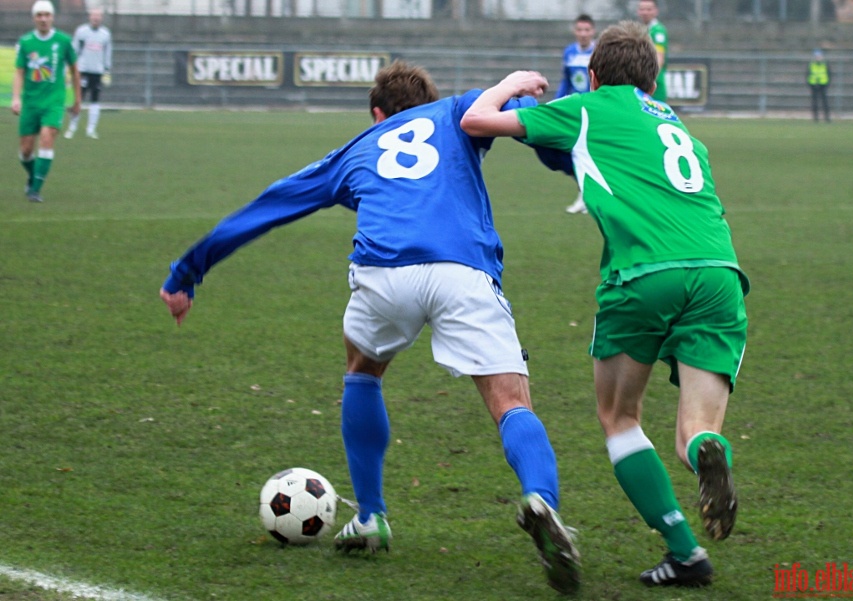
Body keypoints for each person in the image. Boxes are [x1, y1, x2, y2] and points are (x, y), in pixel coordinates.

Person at [159, 60, 581, 594]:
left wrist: (186, 273)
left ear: (377, 113)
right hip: (463, 270)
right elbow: (525, 115)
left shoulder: (355, 149)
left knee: (362, 367)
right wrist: (563, 155)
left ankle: (373, 516)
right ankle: (540, 498)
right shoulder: (458, 110)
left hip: (384, 272)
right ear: (431, 97)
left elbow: (270, 206)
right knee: (509, 400)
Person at [461, 20, 748, 588]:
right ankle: (710, 453)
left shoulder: (587, 107)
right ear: (654, 77)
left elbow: (475, 121)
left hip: (644, 274)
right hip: (719, 272)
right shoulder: (679, 127)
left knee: (619, 418)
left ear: (592, 76)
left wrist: (511, 84)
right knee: (696, 430)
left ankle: (685, 550)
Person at [11, 0, 81, 203]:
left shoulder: (64, 41)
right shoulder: (25, 42)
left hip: (54, 101)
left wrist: (77, 100)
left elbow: (75, 72)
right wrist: (16, 98)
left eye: (47, 15)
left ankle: (35, 190)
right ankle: (33, 176)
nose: (43, 19)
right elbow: (19, 72)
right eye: (39, 15)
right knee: (25, 150)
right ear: (34, 18)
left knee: (47, 138)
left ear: (52, 17)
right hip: (31, 102)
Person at [556, 14, 595, 215]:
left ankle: (588, 197)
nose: (583, 34)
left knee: (589, 152)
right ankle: (584, 195)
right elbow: (566, 81)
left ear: (593, 32)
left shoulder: (598, 52)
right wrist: (557, 101)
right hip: (574, 111)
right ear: (575, 31)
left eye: (586, 30)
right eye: (579, 30)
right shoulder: (569, 52)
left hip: (593, 111)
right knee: (576, 152)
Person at [64, 8, 113, 139]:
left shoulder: (105, 34)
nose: (96, 18)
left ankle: (91, 129)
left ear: (101, 18)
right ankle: (72, 127)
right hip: (83, 70)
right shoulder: (82, 31)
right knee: (78, 99)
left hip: (97, 71)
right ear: (89, 17)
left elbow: (107, 53)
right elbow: (75, 50)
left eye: (98, 16)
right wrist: (70, 70)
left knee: (95, 100)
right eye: (94, 16)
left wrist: (107, 70)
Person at [637, 0, 668, 102]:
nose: (645, 12)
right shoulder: (642, 30)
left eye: (649, 9)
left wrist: (651, 78)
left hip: (654, 81)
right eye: (642, 9)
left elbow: (659, 57)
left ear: (656, 11)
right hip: (642, 79)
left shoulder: (658, 31)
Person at [807, 49, 831, 123]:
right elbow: (808, 75)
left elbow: (829, 75)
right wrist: (810, 84)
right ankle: (816, 118)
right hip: (814, 85)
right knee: (815, 102)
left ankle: (827, 118)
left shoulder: (825, 64)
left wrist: (827, 84)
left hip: (823, 85)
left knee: (825, 102)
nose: (818, 57)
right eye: (816, 56)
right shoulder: (812, 64)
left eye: (819, 56)